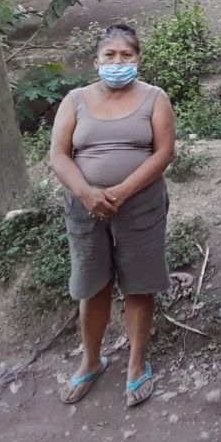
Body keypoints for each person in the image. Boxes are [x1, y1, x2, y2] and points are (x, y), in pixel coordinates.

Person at [49, 23, 175, 407]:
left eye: (126, 55)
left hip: (139, 204)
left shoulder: (155, 98)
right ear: (96, 60)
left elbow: (164, 152)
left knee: (139, 284)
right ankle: (91, 360)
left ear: (137, 59)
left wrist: (120, 191)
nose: (118, 62)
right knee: (92, 283)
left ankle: (136, 364)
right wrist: (88, 194)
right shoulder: (75, 99)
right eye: (110, 56)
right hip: (85, 207)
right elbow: (58, 155)